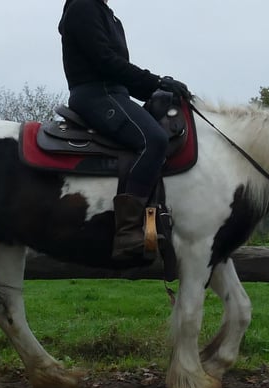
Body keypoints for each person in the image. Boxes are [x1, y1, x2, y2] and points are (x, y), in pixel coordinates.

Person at [59, 0, 192, 261]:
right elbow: (105, 61)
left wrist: (158, 89)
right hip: (96, 95)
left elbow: (120, 72)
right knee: (153, 140)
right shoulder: (83, 7)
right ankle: (128, 231)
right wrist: (155, 81)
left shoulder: (107, 15)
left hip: (114, 94)